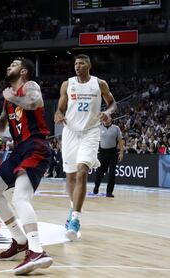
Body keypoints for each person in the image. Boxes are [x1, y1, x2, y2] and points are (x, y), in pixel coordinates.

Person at [0, 57, 53, 275]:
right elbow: (3, 128)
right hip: (18, 149)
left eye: (13, 64)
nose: (8, 67)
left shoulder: (30, 86)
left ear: (23, 71)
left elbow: (34, 103)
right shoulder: (7, 98)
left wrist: (13, 96)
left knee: (20, 198)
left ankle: (37, 250)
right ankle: (20, 240)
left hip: (35, 145)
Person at [55, 54, 116, 241]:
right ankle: (74, 208)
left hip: (90, 132)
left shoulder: (100, 84)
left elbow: (113, 103)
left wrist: (107, 112)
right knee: (71, 175)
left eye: (81, 63)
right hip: (70, 133)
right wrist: (58, 114)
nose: (77, 66)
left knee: (82, 171)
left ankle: (75, 218)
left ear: (89, 65)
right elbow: (60, 108)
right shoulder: (67, 84)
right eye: (75, 64)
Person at [93, 119, 124, 197]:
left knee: (112, 173)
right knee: (99, 172)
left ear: (111, 119)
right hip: (102, 152)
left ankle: (109, 192)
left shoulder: (116, 128)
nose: (106, 120)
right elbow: (94, 141)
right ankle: (96, 186)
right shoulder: (98, 128)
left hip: (113, 152)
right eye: (104, 118)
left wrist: (121, 153)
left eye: (108, 118)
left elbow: (120, 141)